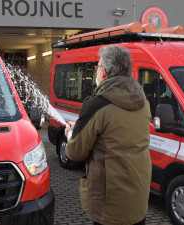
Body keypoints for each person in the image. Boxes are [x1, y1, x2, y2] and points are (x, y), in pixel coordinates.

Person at [65, 45, 152, 225]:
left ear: (103, 72)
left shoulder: (96, 105)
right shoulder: (142, 100)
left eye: (98, 66)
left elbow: (75, 153)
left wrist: (71, 135)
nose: (96, 71)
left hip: (109, 204)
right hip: (138, 198)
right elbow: (117, 135)